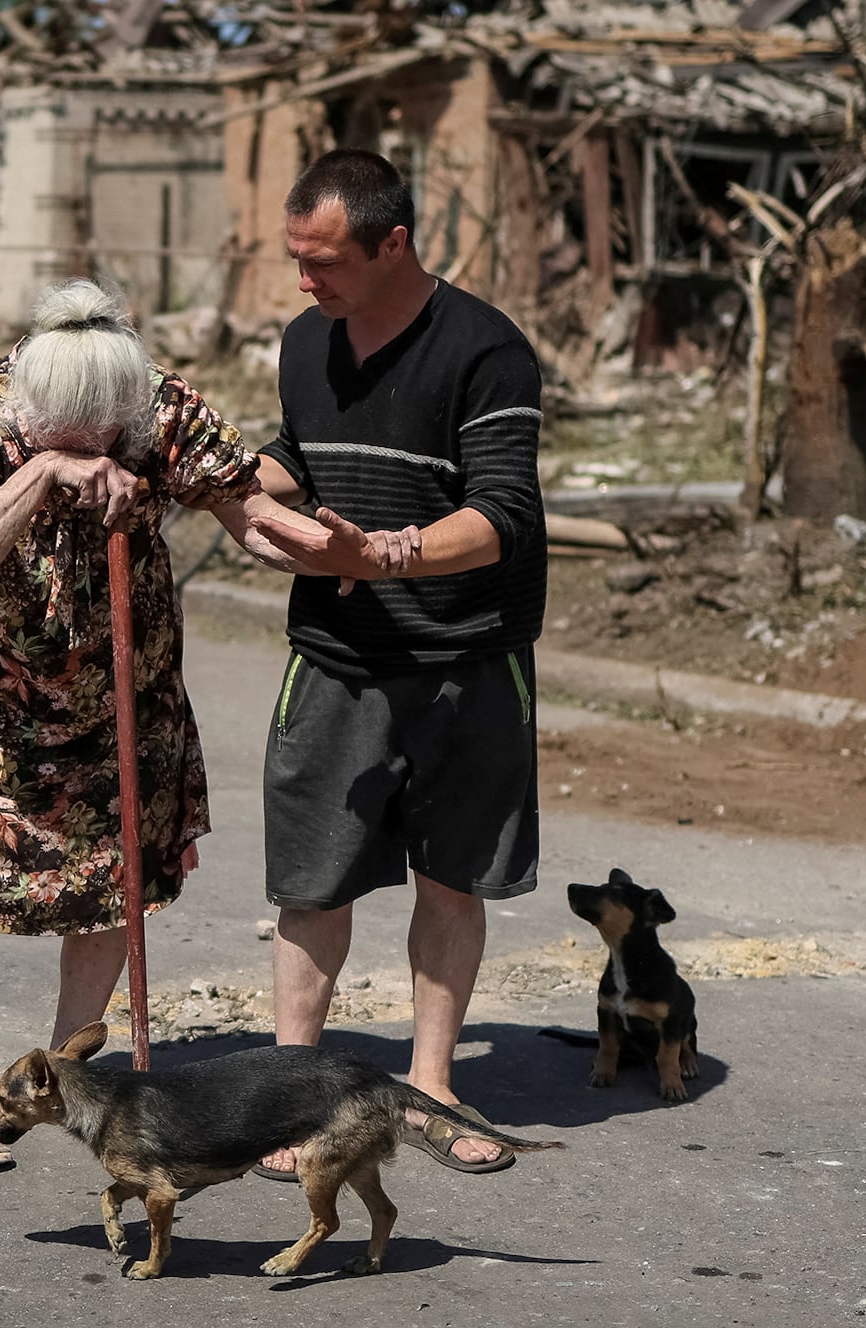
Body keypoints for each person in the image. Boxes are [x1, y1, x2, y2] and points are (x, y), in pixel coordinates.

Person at [0, 276, 390, 1172]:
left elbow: (248, 515)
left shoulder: (156, 402)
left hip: (124, 694)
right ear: (32, 401)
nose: (96, 444)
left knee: (108, 879)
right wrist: (43, 474)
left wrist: (339, 554)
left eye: (108, 431)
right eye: (71, 433)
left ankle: (66, 1076)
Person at [245, 149, 549, 1176]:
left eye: (325, 259)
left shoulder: (487, 351)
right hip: (334, 659)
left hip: (466, 658)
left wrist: (382, 552)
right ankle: (291, 1094)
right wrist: (235, 484)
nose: (306, 280)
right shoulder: (305, 340)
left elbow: (502, 514)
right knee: (311, 884)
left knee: (450, 879)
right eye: (297, 258)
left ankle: (432, 1085)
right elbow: (300, 453)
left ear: (394, 243)